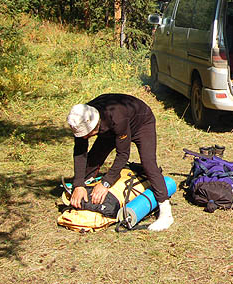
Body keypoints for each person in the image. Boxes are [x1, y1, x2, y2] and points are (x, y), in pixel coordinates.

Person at [66, 94, 174, 232]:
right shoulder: (81, 116)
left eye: (87, 134)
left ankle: (166, 212)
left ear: (94, 125)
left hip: (141, 123)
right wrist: (78, 184)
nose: (85, 137)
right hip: (112, 129)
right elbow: (80, 152)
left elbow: (123, 155)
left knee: (149, 164)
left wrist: (106, 183)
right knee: (93, 159)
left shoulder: (117, 117)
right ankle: (85, 195)